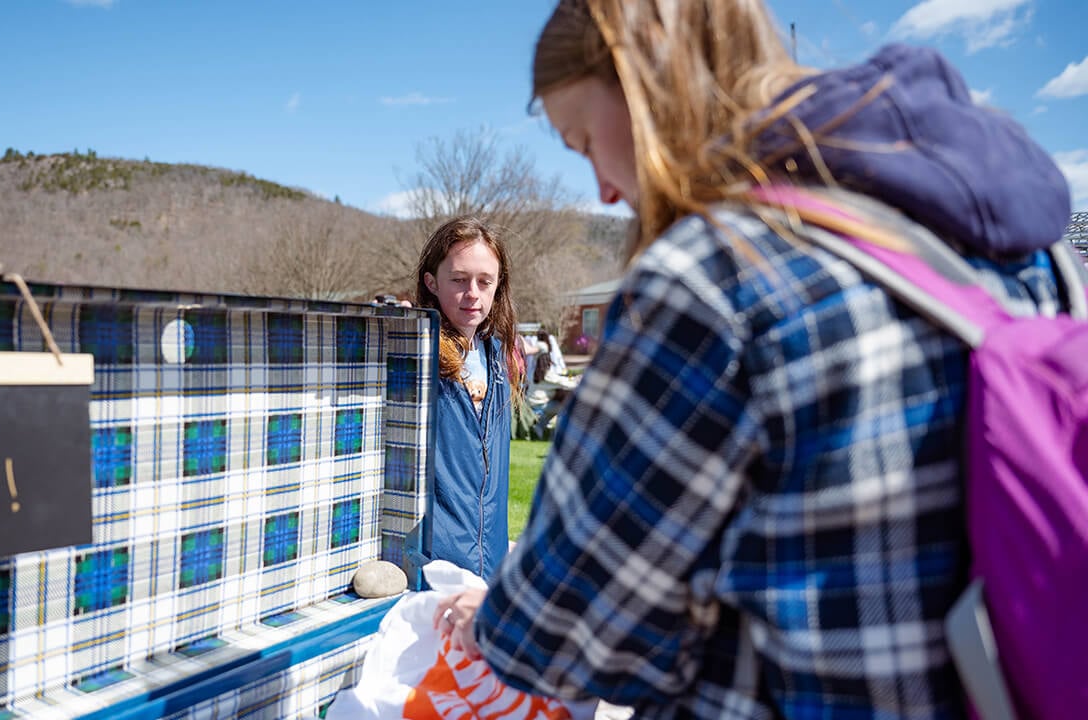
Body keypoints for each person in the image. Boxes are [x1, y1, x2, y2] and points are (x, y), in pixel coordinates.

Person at [434, 1, 1075, 717]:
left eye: (584, 140)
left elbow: (567, 625)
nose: (604, 190)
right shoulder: (1017, 246)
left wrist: (489, 622)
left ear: (644, 76)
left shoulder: (713, 276)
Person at [416, 215, 522, 580]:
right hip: (433, 571)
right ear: (432, 282)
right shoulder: (414, 357)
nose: (472, 293)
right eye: (459, 280)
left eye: (484, 281)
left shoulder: (498, 355)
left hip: (489, 570)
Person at [525, 343, 578, 439]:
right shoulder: (548, 375)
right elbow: (568, 384)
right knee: (565, 407)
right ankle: (555, 434)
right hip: (538, 406)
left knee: (556, 405)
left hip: (530, 404)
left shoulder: (533, 372)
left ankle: (540, 427)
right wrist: (578, 379)